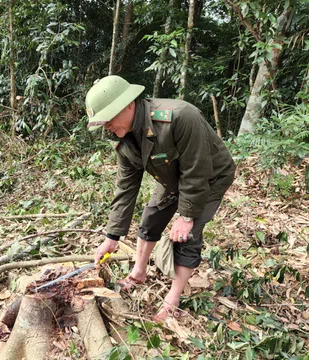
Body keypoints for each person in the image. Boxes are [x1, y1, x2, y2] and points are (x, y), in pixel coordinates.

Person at [85, 75, 236, 322]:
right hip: (173, 176)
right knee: (151, 218)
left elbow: (196, 169)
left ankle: (172, 299)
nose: (107, 127)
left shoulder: (179, 117)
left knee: (186, 235)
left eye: (108, 119)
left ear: (128, 105)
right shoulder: (124, 140)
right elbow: (126, 188)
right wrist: (112, 236)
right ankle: (138, 273)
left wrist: (186, 215)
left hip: (210, 176)